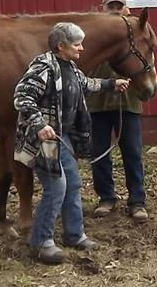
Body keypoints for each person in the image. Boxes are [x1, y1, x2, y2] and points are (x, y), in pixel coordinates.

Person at [14, 22, 130, 264]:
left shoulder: (70, 67)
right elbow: (22, 97)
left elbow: (86, 84)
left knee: (73, 184)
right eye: (77, 44)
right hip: (44, 141)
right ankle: (41, 242)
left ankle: (74, 234)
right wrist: (39, 124)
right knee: (56, 187)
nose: (82, 48)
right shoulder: (43, 67)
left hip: (62, 138)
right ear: (61, 46)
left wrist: (111, 84)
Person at [87, 0, 148, 222]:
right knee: (99, 153)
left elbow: (142, 60)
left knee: (132, 152)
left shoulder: (133, 30)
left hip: (127, 102)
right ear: (103, 6)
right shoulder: (92, 32)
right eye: (111, 5)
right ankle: (106, 197)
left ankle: (137, 200)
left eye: (119, 5)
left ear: (125, 6)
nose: (115, 8)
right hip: (97, 102)